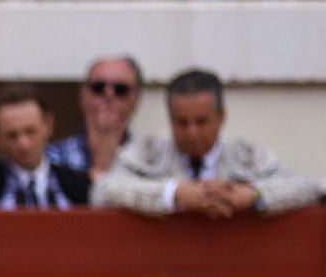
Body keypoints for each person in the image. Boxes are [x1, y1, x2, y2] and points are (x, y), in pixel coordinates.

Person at [93, 68, 320, 219]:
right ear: (170, 119)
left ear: (221, 117)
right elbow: (101, 192)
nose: (192, 133)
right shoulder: (147, 153)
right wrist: (174, 194)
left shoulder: (247, 156)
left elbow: (311, 188)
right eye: (182, 122)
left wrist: (253, 195)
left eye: (202, 122)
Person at [0, 85, 92, 223]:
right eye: (12, 135)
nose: (23, 144)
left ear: (48, 125)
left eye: (30, 131)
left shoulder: (79, 183)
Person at [49, 55, 142, 179]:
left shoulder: (151, 161)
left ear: (136, 99)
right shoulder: (51, 159)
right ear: (82, 96)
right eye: (98, 88)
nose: (109, 95)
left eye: (120, 89)